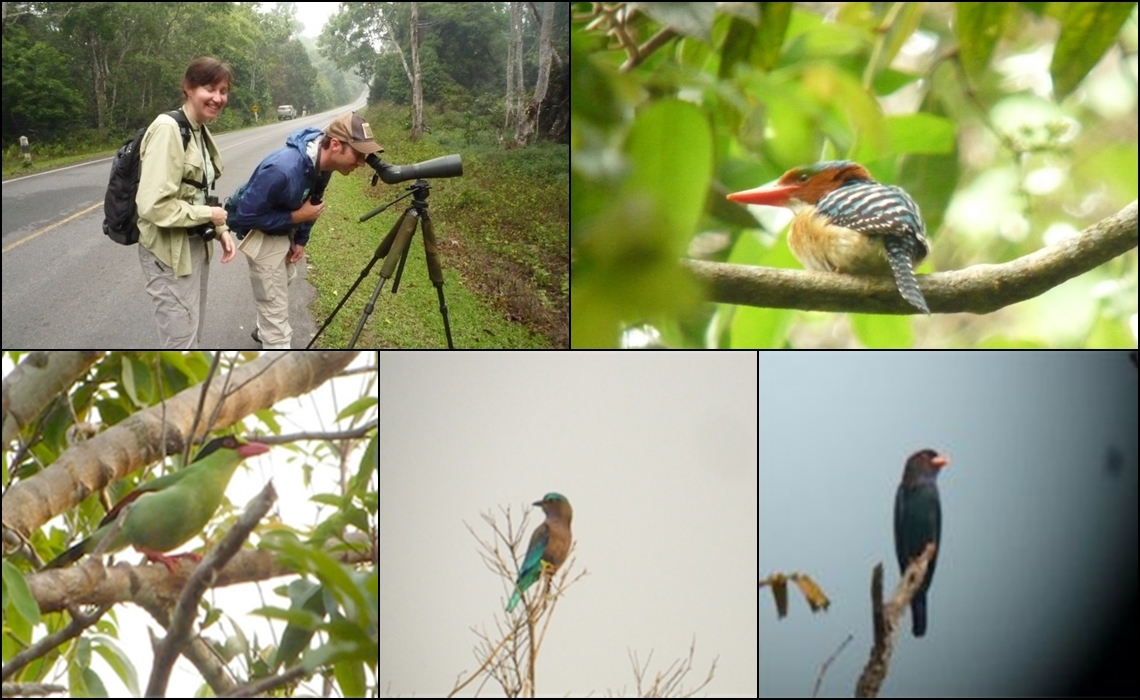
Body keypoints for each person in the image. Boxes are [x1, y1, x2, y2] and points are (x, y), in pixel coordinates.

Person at [230, 111, 382, 349]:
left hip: (285, 233)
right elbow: (247, 215)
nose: (361, 163)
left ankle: (264, 328)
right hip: (263, 238)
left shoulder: (324, 166)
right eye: (358, 154)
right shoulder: (282, 169)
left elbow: (314, 201)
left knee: (286, 279)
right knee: (277, 322)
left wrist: (300, 239)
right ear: (335, 145)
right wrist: (296, 216)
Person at [136, 56, 236, 348]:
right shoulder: (169, 129)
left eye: (223, 91)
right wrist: (211, 214)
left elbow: (196, 190)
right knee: (180, 343)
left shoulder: (199, 129)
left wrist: (221, 230)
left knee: (191, 334)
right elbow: (153, 205)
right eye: (210, 88)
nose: (218, 98)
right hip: (168, 254)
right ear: (188, 88)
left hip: (192, 245)